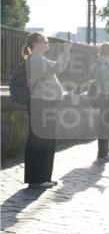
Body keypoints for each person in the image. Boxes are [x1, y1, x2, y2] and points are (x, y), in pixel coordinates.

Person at [22, 33, 73, 189]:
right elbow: (59, 67)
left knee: (45, 140)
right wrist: (66, 50)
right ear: (36, 44)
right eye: (45, 41)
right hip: (42, 104)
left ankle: (43, 177)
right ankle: (38, 179)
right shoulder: (36, 60)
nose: (47, 43)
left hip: (44, 104)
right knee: (42, 140)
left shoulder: (38, 59)